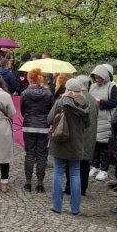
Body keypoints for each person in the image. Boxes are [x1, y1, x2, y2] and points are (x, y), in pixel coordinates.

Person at [48, 78, 93, 215]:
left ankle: (57, 206)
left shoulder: (61, 102)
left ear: (67, 89)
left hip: (60, 140)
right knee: (75, 173)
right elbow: (87, 124)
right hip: (76, 143)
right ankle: (75, 208)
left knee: (58, 172)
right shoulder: (85, 104)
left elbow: (49, 119)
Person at [20, 68, 54, 192]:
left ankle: (28, 182)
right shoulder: (48, 93)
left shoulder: (25, 93)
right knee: (41, 154)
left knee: (29, 153)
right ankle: (40, 183)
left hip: (29, 125)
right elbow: (51, 110)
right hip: (43, 126)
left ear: (29, 78)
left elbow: (22, 110)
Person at [88, 64, 117, 182]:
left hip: (105, 120)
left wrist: (101, 102)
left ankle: (104, 169)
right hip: (94, 118)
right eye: (96, 77)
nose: (97, 79)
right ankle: (94, 166)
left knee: (104, 146)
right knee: (94, 145)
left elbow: (114, 103)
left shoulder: (111, 86)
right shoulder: (93, 86)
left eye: (100, 77)